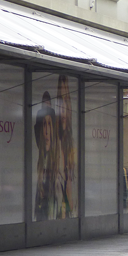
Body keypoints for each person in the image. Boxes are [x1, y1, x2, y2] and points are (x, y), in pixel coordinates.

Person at [33, 92, 63, 221]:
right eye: (43, 125)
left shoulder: (58, 160)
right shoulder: (39, 160)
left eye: (49, 125)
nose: (46, 131)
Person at [55, 75, 76, 218]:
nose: (62, 109)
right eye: (59, 103)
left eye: (65, 102)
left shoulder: (72, 145)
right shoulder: (52, 145)